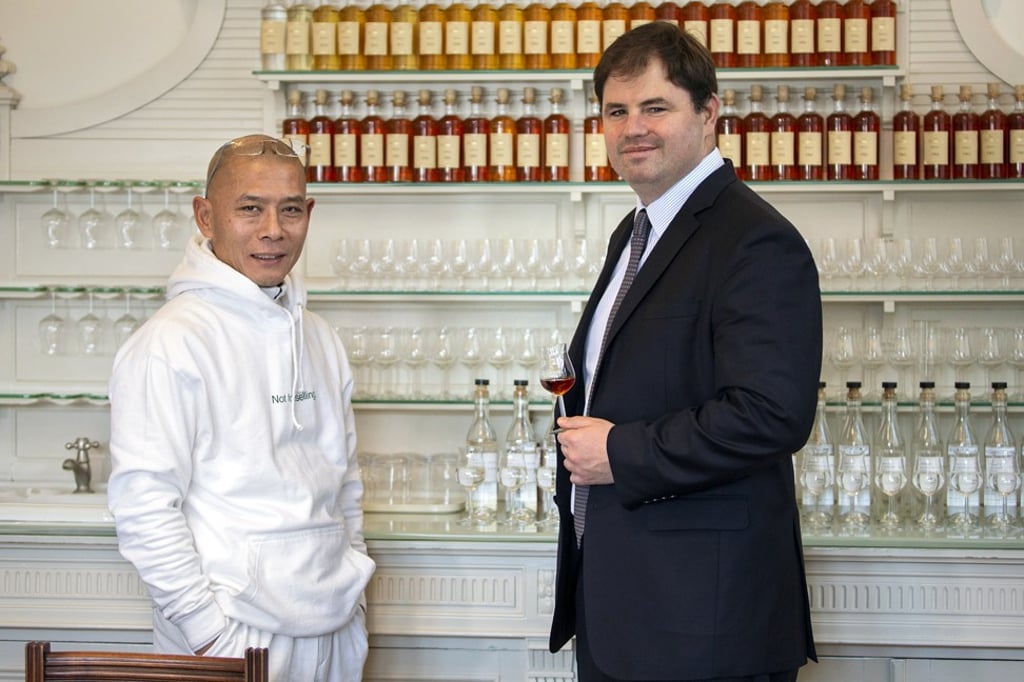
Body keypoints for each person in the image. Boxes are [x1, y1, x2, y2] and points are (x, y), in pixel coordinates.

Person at [548, 22, 821, 682]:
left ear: (709, 114)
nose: (632, 127)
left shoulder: (753, 240)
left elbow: (772, 415)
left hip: (703, 623)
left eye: (655, 107)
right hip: (627, 606)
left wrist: (619, 451)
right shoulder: (635, 231)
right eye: (617, 111)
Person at [108, 134, 375, 681]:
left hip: (334, 628)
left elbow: (343, 483)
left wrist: (356, 608)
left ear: (309, 213)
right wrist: (207, 633)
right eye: (249, 208)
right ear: (205, 216)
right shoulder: (170, 342)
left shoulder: (320, 338)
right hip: (231, 637)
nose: (273, 229)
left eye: (291, 209)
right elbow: (143, 507)